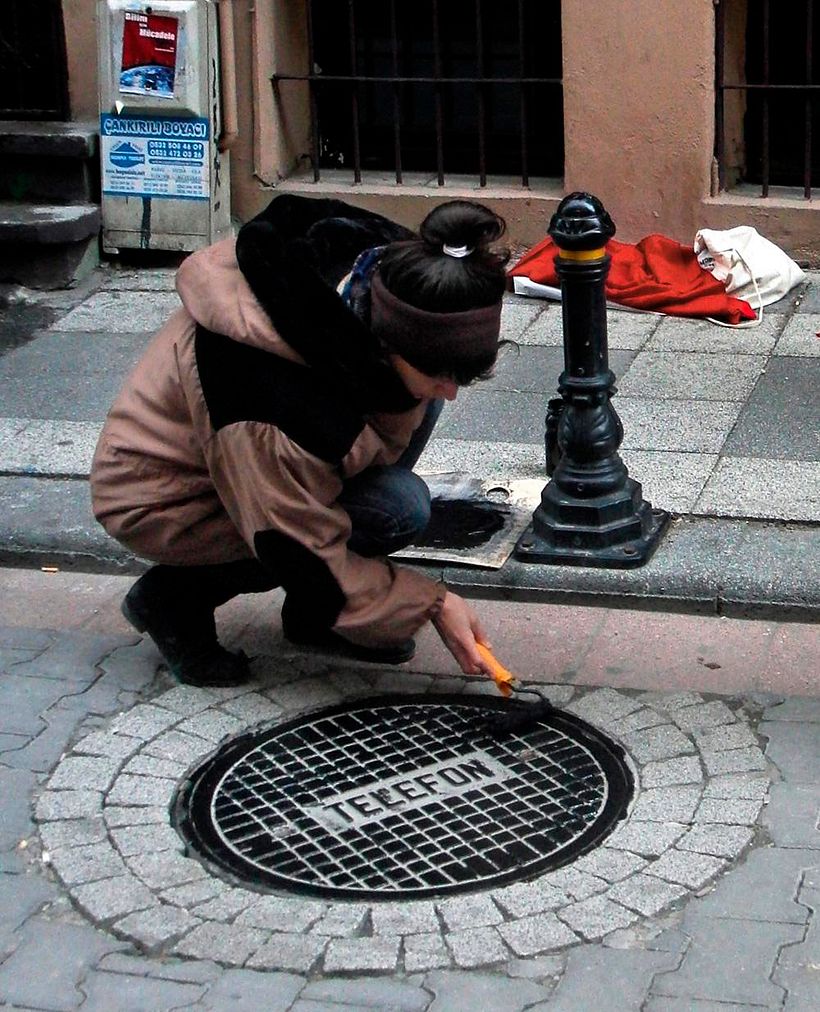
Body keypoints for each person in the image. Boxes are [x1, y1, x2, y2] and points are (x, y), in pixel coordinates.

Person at [90, 194, 508, 687]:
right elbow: (297, 547)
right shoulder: (271, 397)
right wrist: (433, 602)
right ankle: (173, 599)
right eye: (441, 371)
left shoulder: (399, 277)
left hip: (268, 454)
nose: (455, 392)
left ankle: (314, 620)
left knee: (422, 399)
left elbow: (419, 378)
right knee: (397, 509)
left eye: (465, 374)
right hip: (163, 496)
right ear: (383, 343)